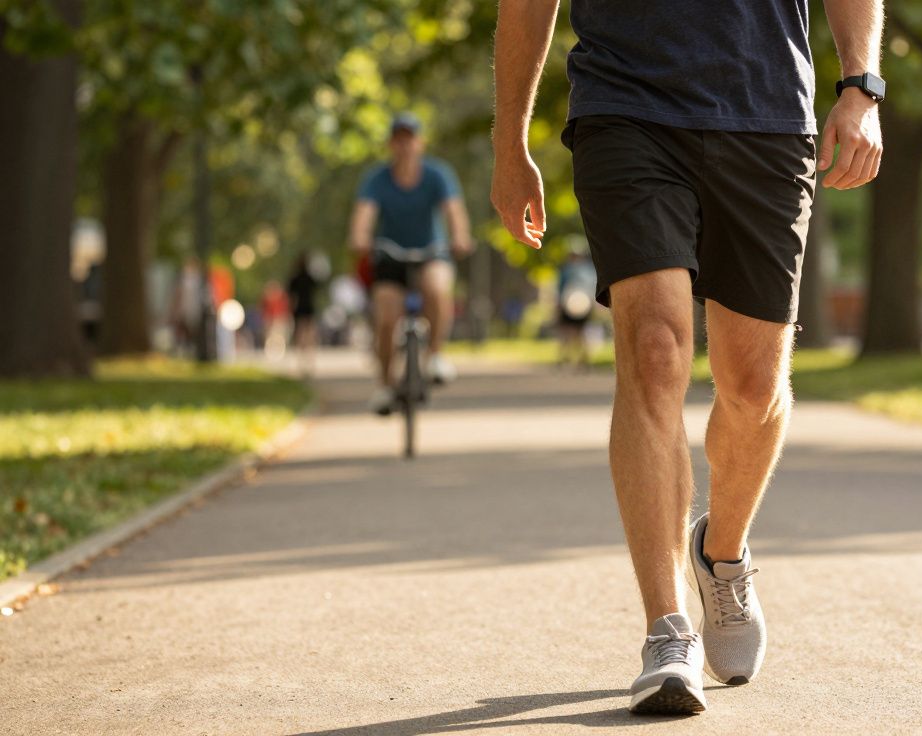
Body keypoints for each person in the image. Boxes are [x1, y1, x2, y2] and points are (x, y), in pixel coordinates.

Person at [491, 0, 886, 716]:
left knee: (754, 386)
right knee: (656, 348)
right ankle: (666, 629)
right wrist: (508, 137)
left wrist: (861, 87)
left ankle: (721, 555)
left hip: (767, 110)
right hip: (626, 103)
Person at [350, 113, 473, 415]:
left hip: (432, 251)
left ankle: (434, 355)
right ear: (391, 144)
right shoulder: (377, 179)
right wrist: (359, 237)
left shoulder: (437, 175)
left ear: (420, 143)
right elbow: (363, 215)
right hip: (390, 254)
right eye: (399, 139)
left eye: (410, 138)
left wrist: (460, 237)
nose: (405, 145)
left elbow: (454, 211)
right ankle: (383, 386)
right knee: (386, 317)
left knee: (436, 287)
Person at [556, 246, 598, 370]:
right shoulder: (590, 270)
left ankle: (567, 359)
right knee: (579, 332)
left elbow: (561, 289)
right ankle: (581, 359)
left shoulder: (567, 270)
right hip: (584, 304)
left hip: (573, 302)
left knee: (569, 332)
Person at [287, 252, 321, 378]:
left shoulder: (295, 278)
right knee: (309, 335)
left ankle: (302, 362)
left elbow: (290, 295)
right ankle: (309, 361)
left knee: (301, 334)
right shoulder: (309, 277)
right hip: (308, 308)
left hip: (300, 309)